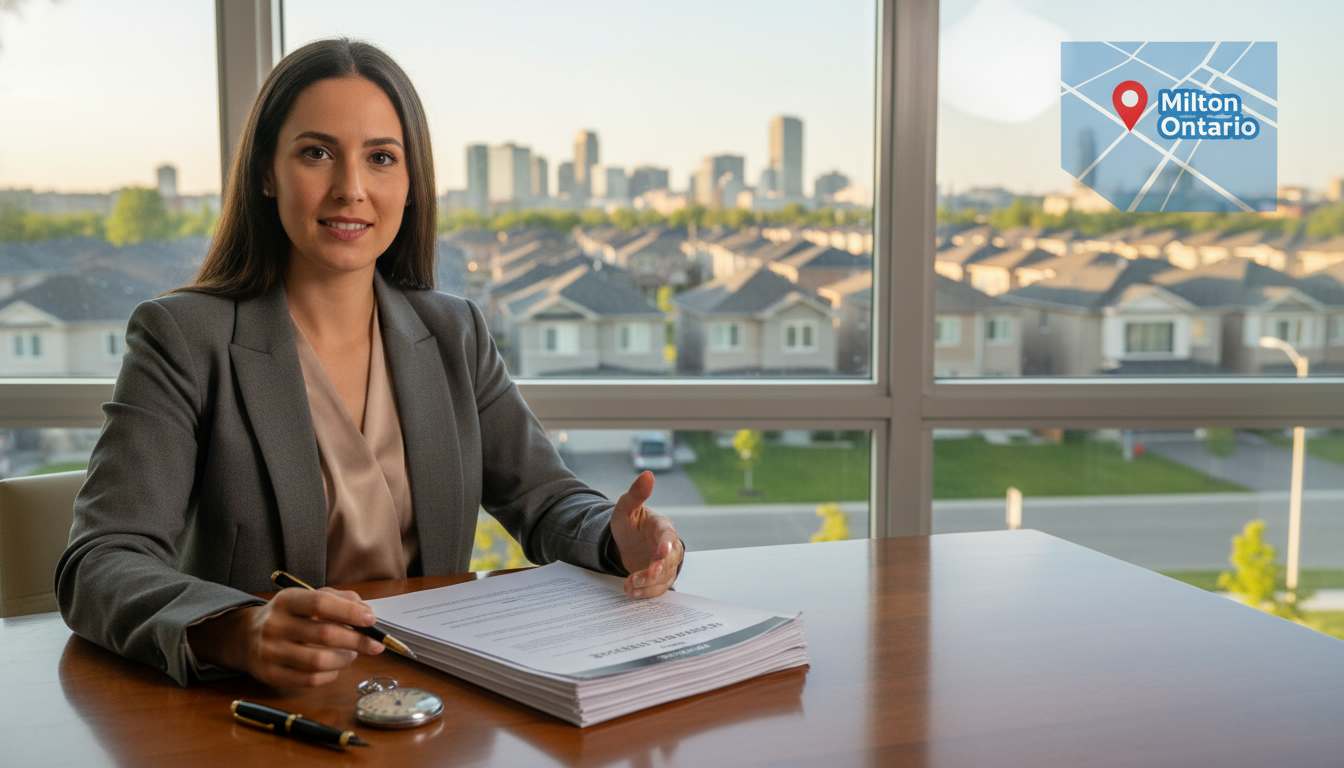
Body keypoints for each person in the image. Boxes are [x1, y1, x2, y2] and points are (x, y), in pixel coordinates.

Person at [55, 38, 682, 689]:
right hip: (259, 717)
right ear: (267, 172)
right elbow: (100, 562)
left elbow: (547, 502)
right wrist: (237, 630)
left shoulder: (454, 332)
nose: (350, 189)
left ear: (411, 186)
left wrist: (617, 541)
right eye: (317, 153)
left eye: (381, 158)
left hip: (431, 704)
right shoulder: (183, 338)